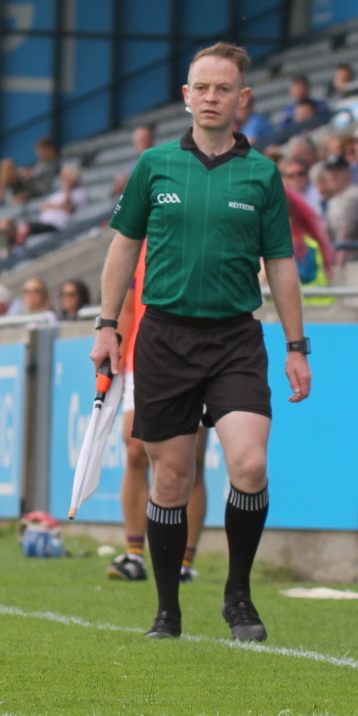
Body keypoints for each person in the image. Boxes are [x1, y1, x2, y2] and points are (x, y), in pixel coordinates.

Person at [91, 42, 311, 642]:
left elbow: (283, 264)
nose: (210, 97)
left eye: (222, 89)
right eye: (200, 87)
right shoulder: (154, 165)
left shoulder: (262, 173)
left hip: (236, 337)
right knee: (170, 479)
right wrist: (106, 327)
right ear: (186, 96)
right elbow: (122, 248)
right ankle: (168, 611)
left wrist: (297, 345)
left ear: (242, 100)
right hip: (163, 337)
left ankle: (238, 595)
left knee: (250, 462)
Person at [105, 243, 208, 585]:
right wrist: (117, 348)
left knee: (191, 456)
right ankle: (135, 554)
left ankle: (184, 561)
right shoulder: (142, 237)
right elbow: (131, 306)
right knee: (135, 450)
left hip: (199, 353)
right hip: (145, 354)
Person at [8, 165, 86, 246]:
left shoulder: (79, 192)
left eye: (66, 177)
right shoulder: (58, 194)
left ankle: (20, 252)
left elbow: (68, 207)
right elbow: (43, 206)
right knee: (17, 228)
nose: (63, 180)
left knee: (24, 228)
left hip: (57, 224)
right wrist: (59, 206)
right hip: (44, 222)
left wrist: (66, 190)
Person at [319, 155, 358, 264]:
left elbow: (345, 235)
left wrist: (337, 268)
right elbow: (326, 234)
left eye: (337, 171)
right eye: (329, 171)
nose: (332, 175)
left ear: (348, 173)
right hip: (352, 262)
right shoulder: (332, 201)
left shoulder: (355, 194)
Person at [0, 136, 59, 204]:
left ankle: (2, 199)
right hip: (27, 185)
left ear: (50, 148)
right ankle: (0, 198)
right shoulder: (41, 162)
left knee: (7, 165)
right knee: (6, 164)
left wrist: (29, 174)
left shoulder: (54, 162)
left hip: (36, 190)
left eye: (41, 150)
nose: (38, 153)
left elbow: (39, 180)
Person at [111, 126, 155, 196]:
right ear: (136, 143)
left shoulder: (161, 159)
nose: (146, 143)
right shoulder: (133, 165)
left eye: (148, 139)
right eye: (142, 140)